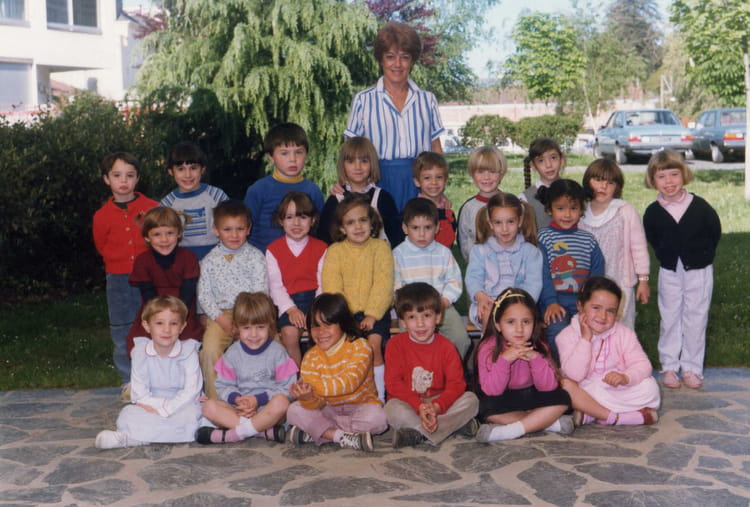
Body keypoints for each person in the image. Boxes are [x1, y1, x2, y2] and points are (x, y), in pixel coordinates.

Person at [345, 21, 444, 211]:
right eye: (390, 57)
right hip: (377, 181)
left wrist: (439, 191)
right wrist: (344, 183)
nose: (397, 64)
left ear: (412, 61)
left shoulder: (427, 99)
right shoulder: (363, 100)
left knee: (419, 228)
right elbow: (351, 150)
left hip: (419, 182)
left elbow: (436, 150)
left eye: (404, 57)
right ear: (381, 59)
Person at [643, 150, 721, 389]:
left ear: (684, 175)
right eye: (661, 176)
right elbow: (653, 237)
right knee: (670, 317)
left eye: (674, 175)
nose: (668, 182)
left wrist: (702, 256)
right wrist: (666, 255)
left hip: (698, 270)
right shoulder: (653, 212)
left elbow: (714, 231)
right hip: (670, 271)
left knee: (695, 317)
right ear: (653, 180)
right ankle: (669, 366)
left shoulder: (699, 207)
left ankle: (691, 368)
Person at [95, 296, 202, 449]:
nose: (167, 329)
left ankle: (132, 439)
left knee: (192, 416)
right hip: (150, 404)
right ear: (146, 326)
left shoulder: (188, 352)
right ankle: (154, 434)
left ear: (182, 327)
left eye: (173, 323)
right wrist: (157, 407)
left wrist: (166, 409)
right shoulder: (140, 352)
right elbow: (140, 393)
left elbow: (191, 391)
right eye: (159, 323)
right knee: (128, 414)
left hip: (181, 404)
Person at [93, 152, 158, 401]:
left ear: (137, 178)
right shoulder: (101, 215)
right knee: (122, 330)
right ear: (106, 179)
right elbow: (101, 245)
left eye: (129, 175)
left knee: (154, 324)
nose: (124, 181)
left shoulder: (152, 208)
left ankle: (156, 378)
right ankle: (128, 380)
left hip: (149, 276)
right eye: (117, 175)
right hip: (118, 279)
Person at [286, 293, 387, 452]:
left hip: (359, 407)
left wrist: (311, 387)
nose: (321, 332)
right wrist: (308, 398)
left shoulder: (361, 346)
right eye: (315, 326)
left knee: (378, 418)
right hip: (328, 409)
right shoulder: (310, 357)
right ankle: (340, 436)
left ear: (342, 324)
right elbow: (317, 404)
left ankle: (319, 432)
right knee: (294, 410)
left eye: (328, 325)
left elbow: (348, 384)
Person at [384, 282, 479, 448]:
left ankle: (418, 433)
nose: (420, 324)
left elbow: (456, 384)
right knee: (391, 409)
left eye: (426, 315)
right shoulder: (395, 345)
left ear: (438, 317)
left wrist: (436, 406)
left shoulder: (447, 347)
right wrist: (419, 406)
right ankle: (450, 427)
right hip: (409, 402)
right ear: (403, 322)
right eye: (412, 317)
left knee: (471, 400)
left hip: (439, 402)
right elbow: (393, 384)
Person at [196, 292, 297, 445]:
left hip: (269, 410)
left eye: (260, 327)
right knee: (208, 407)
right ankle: (261, 432)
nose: (254, 334)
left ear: (270, 326)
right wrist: (238, 400)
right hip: (240, 410)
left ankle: (233, 434)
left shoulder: (278, 352)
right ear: (236, 327)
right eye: (247, 328)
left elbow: (288, 387)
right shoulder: (232, 354)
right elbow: (222, 386)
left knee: (282, 402)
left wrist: (257, 400)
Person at [558, 277, 660, 425]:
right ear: (580, 306)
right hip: (587, 389)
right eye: (596, 308)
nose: (603, 316)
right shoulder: (566, 336)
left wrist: (626, 377)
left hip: (616, 389)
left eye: (610, 311)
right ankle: (620, 417)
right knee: (565, 387)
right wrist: (585, 339)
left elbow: (643, 364)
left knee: (650, 388)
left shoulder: (624, 334)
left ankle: (591, 413)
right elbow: (575, 375)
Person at [321, 193, 394, 402]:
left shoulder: (380, 248)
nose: (358, 226)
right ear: (342, 228)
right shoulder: (335, 251)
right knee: (347, 349)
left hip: (376, 311)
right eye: (350, 222)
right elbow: (332, 287)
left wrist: (372, 314)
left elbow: (384, 284)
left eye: (363, 220)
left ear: (372, 222)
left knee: (372, 346)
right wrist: (346, 316)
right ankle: (348, 394)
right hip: (345, 313)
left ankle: (379, 397)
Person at [475, 288, 573, 442]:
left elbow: (548, 387)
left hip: (531, 395)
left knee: (563, 398)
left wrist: (535, 358)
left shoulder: (539, 345)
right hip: (502, 398)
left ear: (534, 323)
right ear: (498, 325)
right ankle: (544, 422)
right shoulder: (488, 347)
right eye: (511, 322)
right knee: (485, 407)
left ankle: (510, 430)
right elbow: (493, 391)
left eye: (526, 322)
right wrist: (505, 360)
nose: (519, 329)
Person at [197, 200, 268, 399]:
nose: (234, 235)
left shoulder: (256, 257)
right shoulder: (209, 260)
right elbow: (204, 295)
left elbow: (261, 292)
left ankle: (267, 397)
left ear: (248, 229)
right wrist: (222, 320)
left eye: (240, 229)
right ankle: (216, 401)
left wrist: (248, 322)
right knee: (210, 350)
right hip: (221, 316)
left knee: (271, 346)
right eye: (227, 229)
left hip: (252, 313)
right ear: (216, 230)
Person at [393, 198, 470, 358]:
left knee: (460, 338)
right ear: (405, 228)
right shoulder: (398, 254)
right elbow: (395, 285)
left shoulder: (443, 252)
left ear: (437, 228)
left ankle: (449, 367)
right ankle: (416, 369)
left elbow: (454, 281)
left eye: (427, 227)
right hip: (411, 310)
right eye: (415, 228)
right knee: (407, 342)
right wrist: (407, 305)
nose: (421, 234)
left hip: (441, 306)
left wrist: (444, 301)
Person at [579, 159, 650, 330]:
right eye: (598, 180)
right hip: (590, 281)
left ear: (617, 187)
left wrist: (643, 280)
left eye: (610, 183)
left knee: (620, 323)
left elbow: (639, 248)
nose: (603, 186)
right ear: (588, 181)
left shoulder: (625, 211)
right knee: (592, 323)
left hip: (620, 280)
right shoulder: (580, 212)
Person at [537, 179, 604, 357]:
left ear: (581, 210)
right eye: (560, 208)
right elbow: (542, 274)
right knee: (557, 332)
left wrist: (588, 301)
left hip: (582, 302)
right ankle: (559, 369)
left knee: (588, 331)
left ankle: (584, 367)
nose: (567, 214)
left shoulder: (588, 240)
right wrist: (551, 302)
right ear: (549, 209)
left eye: (573, 208)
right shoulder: (543, 237)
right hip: (553, 300)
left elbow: (597, 273)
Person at [126, 207, 204, 357]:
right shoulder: (142, 261)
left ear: (179, 233)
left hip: (183, 310)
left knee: (185, 345)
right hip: (153, 310)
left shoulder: (189, 258)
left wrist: (175, 317)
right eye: (157, 234)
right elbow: (148, 295)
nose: (164, 240)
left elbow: (188, 293)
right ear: (147, 237)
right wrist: (160, 317)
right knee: (139, 344)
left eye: (169, 233)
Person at [266, 192, 327, 366]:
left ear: (313, 220)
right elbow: (275, 286)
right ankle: (296, 377)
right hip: (288, 302)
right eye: (289, 217)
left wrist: (315, 310)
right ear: (281, 221)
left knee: (323, 333)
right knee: (289, 334)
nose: (296, 223)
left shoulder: (322, 248)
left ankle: (321, 374)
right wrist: (291, 309)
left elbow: (323, 283)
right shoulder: (273, 250)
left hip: (317, 301)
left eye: (303, 217)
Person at [243, 122, 325, 252]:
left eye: (298, 152)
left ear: (306, 154)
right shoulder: (258, 190)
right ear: (271, 157)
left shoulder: (313, 191)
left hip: (302, 259)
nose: (292, 159)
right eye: (284, 153)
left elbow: (321, 230)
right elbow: (243, 229)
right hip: (263, 258)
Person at [465, 193, 542, 330]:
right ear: (490, 223)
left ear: (520, 221)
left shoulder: (531, 252)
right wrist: (480, 295)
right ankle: (489, 343)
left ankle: (517, 344)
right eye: (498, 223)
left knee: (516, 317)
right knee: (488, 313)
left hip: (520, 303)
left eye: (510, 222)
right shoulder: (480, 250)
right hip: (488, 301)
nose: (505, 229)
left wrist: (518, 305)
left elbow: (533, 283)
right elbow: (473, 278)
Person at [319, 137, 403, 247]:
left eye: (364, 161)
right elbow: (324, 239)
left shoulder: (383, 198)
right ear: (342, 165)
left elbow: (397, 238)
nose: (357, 167)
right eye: (351, 161)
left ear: (372, 164)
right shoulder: (335, 199)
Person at [160, 141, 229, 260]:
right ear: (171, 171)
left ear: (202, 169)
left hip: (217, 257)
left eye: (193, 168)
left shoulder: (216, 196)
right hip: (182, 259)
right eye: (181, 169)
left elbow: (231, 225)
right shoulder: (167, 204)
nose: (188, 175)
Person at [457, 146, 507, 261]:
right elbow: (463, 239)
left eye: (492, 171)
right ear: (472, 174)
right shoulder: (468, 208)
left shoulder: (510, 204)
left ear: (501, 174)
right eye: (480, 172)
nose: (486, 177)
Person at [412, 151, 457, 248]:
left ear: (446, 180)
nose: (434, 182)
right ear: (417, 182)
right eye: (427, 178)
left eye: (439, 177)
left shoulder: (448, 212)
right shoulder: (413, 211)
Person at [519, 138, 565, 230]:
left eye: (553, 158)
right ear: (533, 166)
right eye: (541, 160)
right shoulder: (525, 199)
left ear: (561, 160)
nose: (548, 165)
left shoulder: (573, 190)